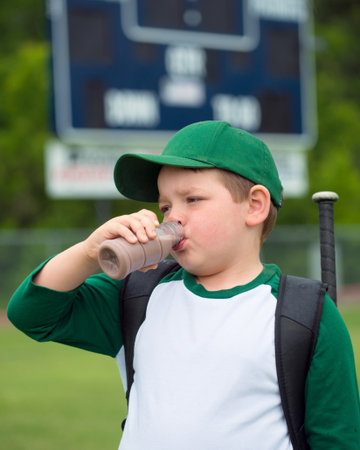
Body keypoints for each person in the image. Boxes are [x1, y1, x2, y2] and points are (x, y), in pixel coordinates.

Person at [7, 121, 360, 449]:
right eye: (165, 205)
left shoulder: (303, 314)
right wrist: (88, 252)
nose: (172, 216)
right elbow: (33, 313)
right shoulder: (139, 294)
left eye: (192, 199)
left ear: (254, 206)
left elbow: (338, 438)